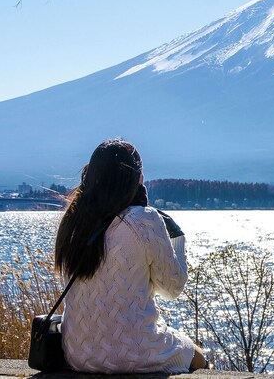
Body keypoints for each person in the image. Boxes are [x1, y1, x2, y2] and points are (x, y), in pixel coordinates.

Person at [54, 138, 208, 373]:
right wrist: (176, 236)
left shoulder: (73, 222)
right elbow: (172, 288)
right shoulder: (143, 220)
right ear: (137, 179)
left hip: (77, 354)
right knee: (199, 359)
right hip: (136, 353)